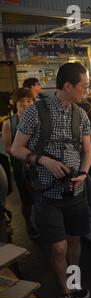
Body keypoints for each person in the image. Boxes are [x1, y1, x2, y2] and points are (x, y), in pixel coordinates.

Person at [11, 62, 91, 298]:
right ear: (67, 86)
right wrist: (43, 160)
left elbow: (87, 151)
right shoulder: (35, 111)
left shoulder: (81, 114)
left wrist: (84, 173)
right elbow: (16, 148)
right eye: (84, 87)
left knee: (75, 241)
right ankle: (65, 290)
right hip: (47, 194)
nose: (86, 92)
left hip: (75, 191)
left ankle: (75, 283)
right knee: (59, 246)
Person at [1, 88, 39, 239]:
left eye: (29, 101)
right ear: (15, 103)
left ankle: (43, 222)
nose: (26, 104)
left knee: (42, 194)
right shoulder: (9, 123)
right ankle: (29, 224)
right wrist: (26, 156)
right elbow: (8, 148)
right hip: (20, 165)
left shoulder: (38, 119)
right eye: (21, 101)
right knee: (26, 197)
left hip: (38, 162)